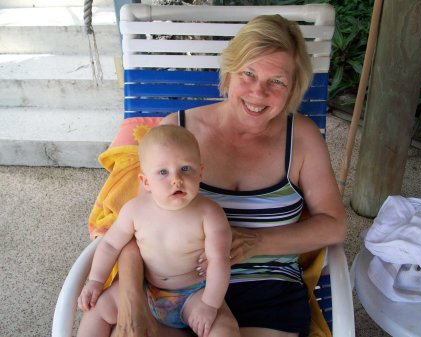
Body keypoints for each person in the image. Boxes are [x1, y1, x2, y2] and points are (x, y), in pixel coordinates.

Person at [114, 14, 347, 337]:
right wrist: (130, 298)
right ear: (228, 73)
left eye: (276, 81)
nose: (258, 92)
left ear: (294, 87)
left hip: (266, 291)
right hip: (172, 293)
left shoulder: (302, 139)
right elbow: (131, 231)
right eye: (248, 74)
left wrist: (256, 243)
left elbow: (334, 225)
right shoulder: (176, 132)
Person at [77, 125, 239, 337]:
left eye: (186, 169)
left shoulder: (209, 214)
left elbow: (219, 261)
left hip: (193, 294)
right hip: (146, 289)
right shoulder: (135, 210)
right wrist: (96, 281)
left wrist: (209, 304)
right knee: (97, 311)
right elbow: (110, 244)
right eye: (163, 172)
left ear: (201, 172)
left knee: (226, 330)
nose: (176, 179)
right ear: (146, 182)